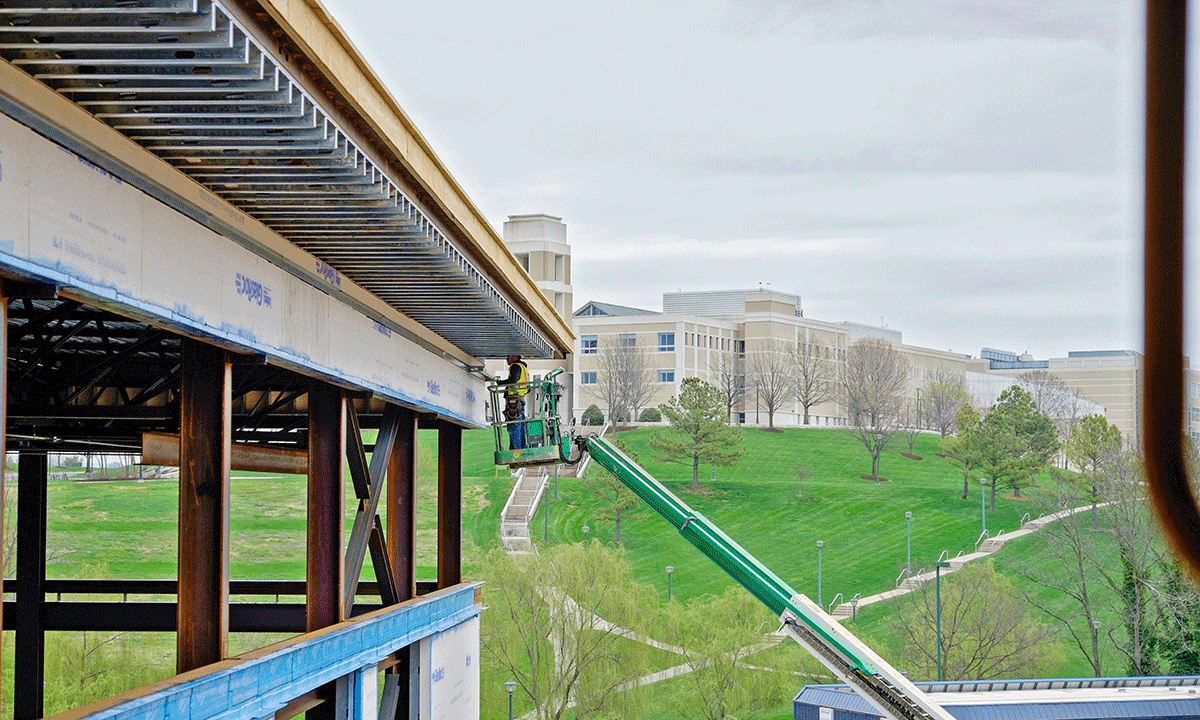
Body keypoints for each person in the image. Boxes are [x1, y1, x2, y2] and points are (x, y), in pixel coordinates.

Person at [499, 354, 530, 450]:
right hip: (520, 399)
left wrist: (500, 383)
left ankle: (516, 450)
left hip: (514, 401)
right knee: (520, 426)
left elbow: (513, 380)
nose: (506, 359)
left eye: (509, 356)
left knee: (514, 426)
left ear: (515, 357)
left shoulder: (516, 366)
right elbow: (528, 388)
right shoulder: (524, 368)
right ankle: (522, 448)